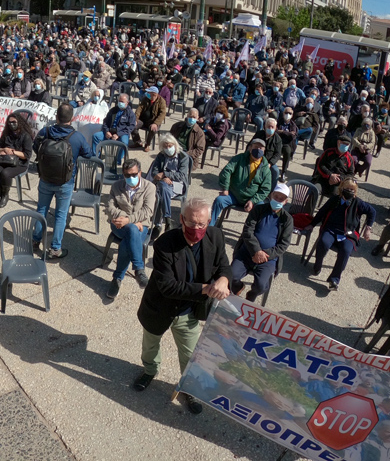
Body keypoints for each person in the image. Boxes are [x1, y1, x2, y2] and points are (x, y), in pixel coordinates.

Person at [133, 197, 232, 415]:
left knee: (191, 354)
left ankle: (188, 387)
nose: (196, 228)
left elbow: (224, 265)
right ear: (181, 219)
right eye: (191, 222)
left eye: (201, 224)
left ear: (209, 221)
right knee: (150, 345)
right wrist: (206, 289)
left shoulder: (215, 237)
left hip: (189, 312)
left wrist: (224, 279)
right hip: (160, 307)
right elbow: (168, 287)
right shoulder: (164, 245)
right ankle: (149, 371)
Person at [33, 103, 90, 259]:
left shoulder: (45, 132)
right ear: (72, 119)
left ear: (56, 117)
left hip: (45, 178)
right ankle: (55, 248)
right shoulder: (77, 137)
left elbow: (35, 146)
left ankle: (35, 240)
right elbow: (88, 153)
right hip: (66, 181)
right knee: (60, 215)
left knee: (41, 210)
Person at [306, 178, 375, 291]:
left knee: (346, 250)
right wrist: (312, 224)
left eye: (352, 189)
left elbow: (372, 211)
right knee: (323, 242)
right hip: (331, 229)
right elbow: (322, 212)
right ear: (341, 188)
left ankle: (334, 279)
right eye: (347, 188)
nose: (349, 191)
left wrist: (368, 228)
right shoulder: (335, 200)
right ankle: (317, 265)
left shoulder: (358, 203)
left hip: (348, 233)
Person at [229, 184, 293, 302]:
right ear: (271, 196)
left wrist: (264, 254)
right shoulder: (258, 210)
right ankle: (238, 287)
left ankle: (251, 296)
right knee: (231, 275)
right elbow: (248, 231)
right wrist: (256, 251)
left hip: (268, 259)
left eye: (281, 198)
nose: (277, 200)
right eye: (276, 196)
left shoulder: (287, 219)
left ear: (285, 202)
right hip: (247, 252)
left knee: (261, 285)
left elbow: (283, 244)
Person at [105, 159, 156, 299]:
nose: (131, 178)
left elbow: (148, 211)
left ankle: (117, 278)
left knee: (129, 237)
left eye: (134, 174)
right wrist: (128, 220)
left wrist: (129, 221)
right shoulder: (116, 186)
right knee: (132, 230)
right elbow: (110, 208)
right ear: (123, 174)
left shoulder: (150, 187)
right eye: (127, 175)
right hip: (118, 225)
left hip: (141, 226)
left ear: (140, 172)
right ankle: (139, 269)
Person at [209, 139, 273, 226]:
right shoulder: (239, 158)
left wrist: (253, 201)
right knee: (219, 200)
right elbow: (226, 171)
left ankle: (252, 233)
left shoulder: (265, 168)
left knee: (261, 209)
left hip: (252, 199)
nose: (258, 150)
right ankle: (210, 227)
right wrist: (225, 188)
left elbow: (266, 189)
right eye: (255, 147)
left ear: (264, 150)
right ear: (250, 148)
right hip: (234, 195)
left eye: (260, 148)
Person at [148, 134, 190, 230]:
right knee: (163, 189)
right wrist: (163, 178)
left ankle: (158, 224)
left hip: (178, 184)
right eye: (165, 146)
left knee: (160, 192)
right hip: (163, 183)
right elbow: (154, 171)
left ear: (174, 145)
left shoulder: (183, 157)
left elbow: (182, 176)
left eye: (170, 146)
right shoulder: (161, 155)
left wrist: (164, 174)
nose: (168, 148)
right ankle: (167, 220)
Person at [0, 113, 33, 208]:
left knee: (5, 173)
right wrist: (2, 150)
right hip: (5, 160)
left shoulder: (26, 136)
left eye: (14, 122)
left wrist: (13, 152)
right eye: (9, 122)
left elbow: (27, 155)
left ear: (19, 122)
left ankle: (5, 195)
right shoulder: (7, 134)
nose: (11, 124)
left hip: (20, 163)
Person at [131, 86, 167, 152]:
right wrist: (136, 119)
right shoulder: (146, 99)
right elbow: (139, 109)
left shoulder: (162, 101)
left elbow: (162, 114)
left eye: (149, 93)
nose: (147, 93)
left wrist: (156, 123)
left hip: (154, 121)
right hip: (144, 120)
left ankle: (147, 144)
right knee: (132, 124)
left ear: (154, 94)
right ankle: (138, 141)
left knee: (153, 129)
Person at [253, 117, 283, 190]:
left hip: (268, 161)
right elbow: (251, 145)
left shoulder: (278, 139)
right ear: (265, 127)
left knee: (275, 171)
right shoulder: (259, 134)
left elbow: (277, 154)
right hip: (255, 158)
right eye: (268, 126)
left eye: (272, 127)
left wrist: (270, 163)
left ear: (275, 128)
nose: (270, 128)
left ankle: (271, 191)